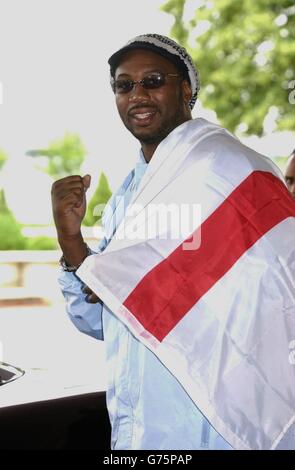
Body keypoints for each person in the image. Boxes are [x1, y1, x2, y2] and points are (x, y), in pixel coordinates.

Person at [51, 34, 295, 450]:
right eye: (123, 85)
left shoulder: (231, 173)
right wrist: (70, 238)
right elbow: (106, 322)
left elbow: (271, 303)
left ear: (186, 89)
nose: (137, 94)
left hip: (220, 427)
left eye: (153, 80)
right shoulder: (125, 199)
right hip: (139, 429)